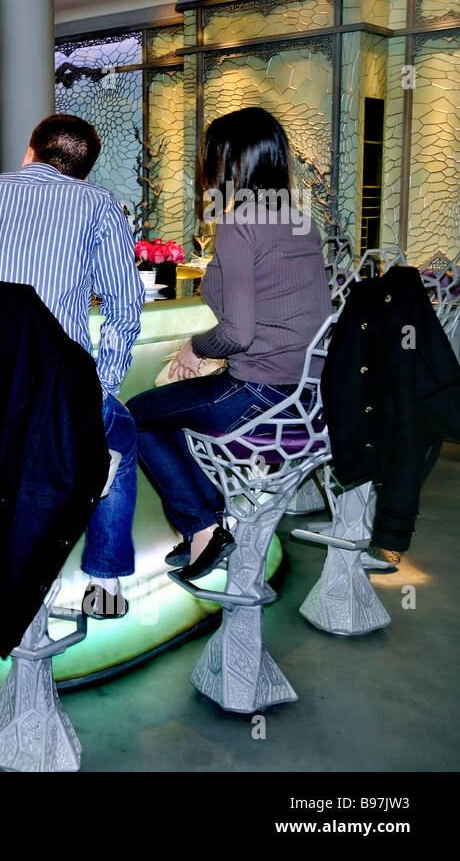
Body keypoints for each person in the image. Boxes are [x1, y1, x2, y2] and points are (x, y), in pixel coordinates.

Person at [0, 114, 144, 618]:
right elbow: (126, 308)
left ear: (29, 151)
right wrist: (102, 387)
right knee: (120, 435)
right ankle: (104, 581)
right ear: (83, 172)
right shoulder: (98, 204)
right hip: (59, 395)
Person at [127, 107, 332, 581]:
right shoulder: (299, 219)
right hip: (306, 394)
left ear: (229, 161)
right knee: (169, 410)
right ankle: (212, 518)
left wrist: (195, 348)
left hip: (259, 392)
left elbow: (237, 333)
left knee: (136, 414)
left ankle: (202, 527)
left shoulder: (239, 223)